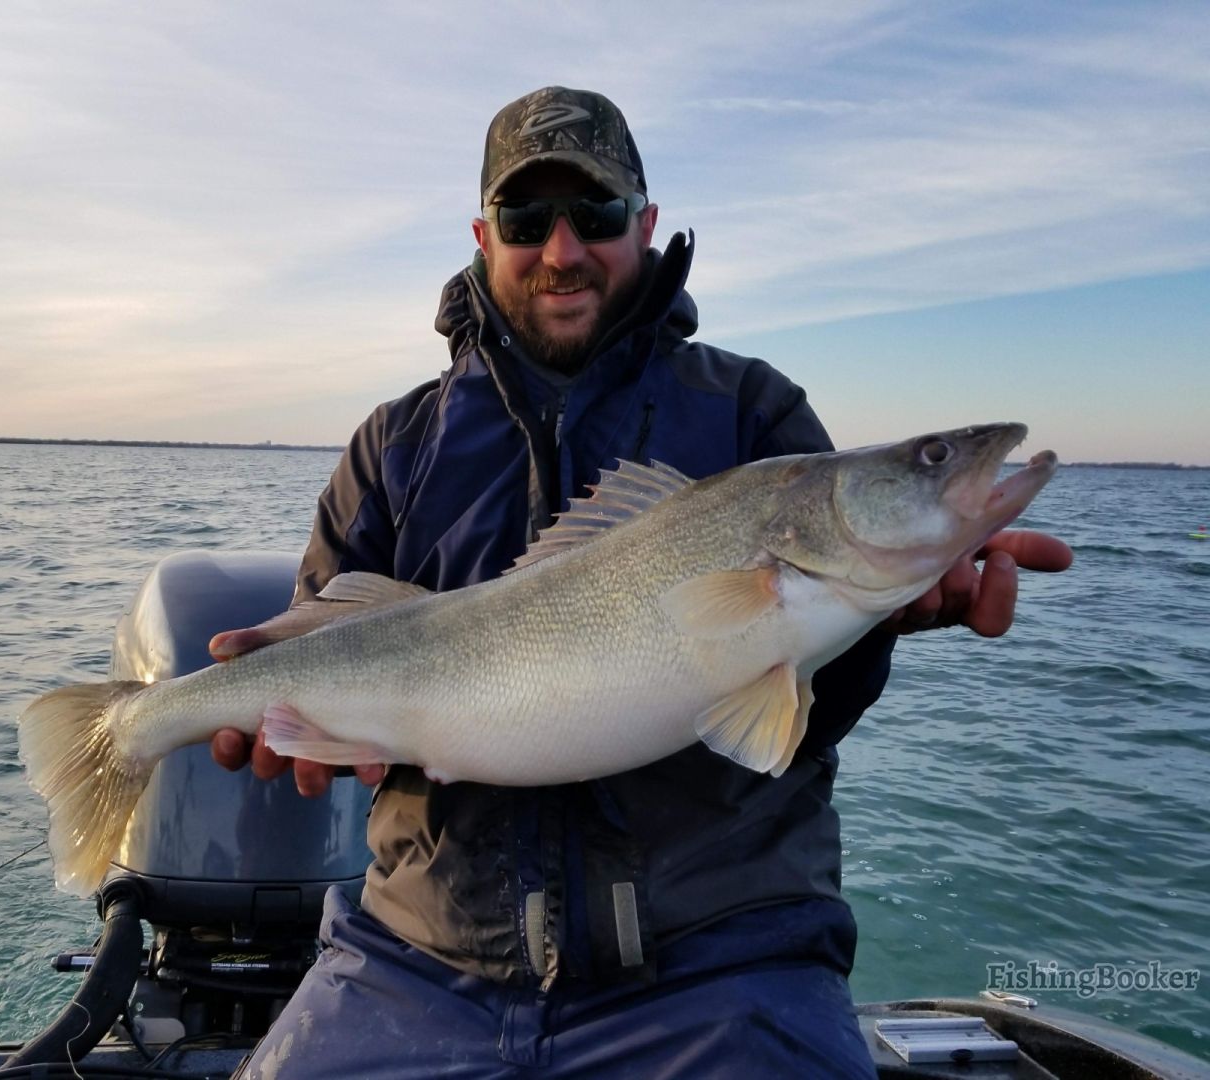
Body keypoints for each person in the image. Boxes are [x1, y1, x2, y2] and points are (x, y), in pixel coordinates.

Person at [208, 87, 1072, 1079]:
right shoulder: (394, 447)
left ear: (646, 224)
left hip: (723, 963)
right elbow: (326, 642)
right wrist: (294, 726)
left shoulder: (754, 414)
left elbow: (786, 733)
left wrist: (875, 624)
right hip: (418, 957)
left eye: (598, 214)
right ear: (484, 237)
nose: (562, 249)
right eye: (526, 220)